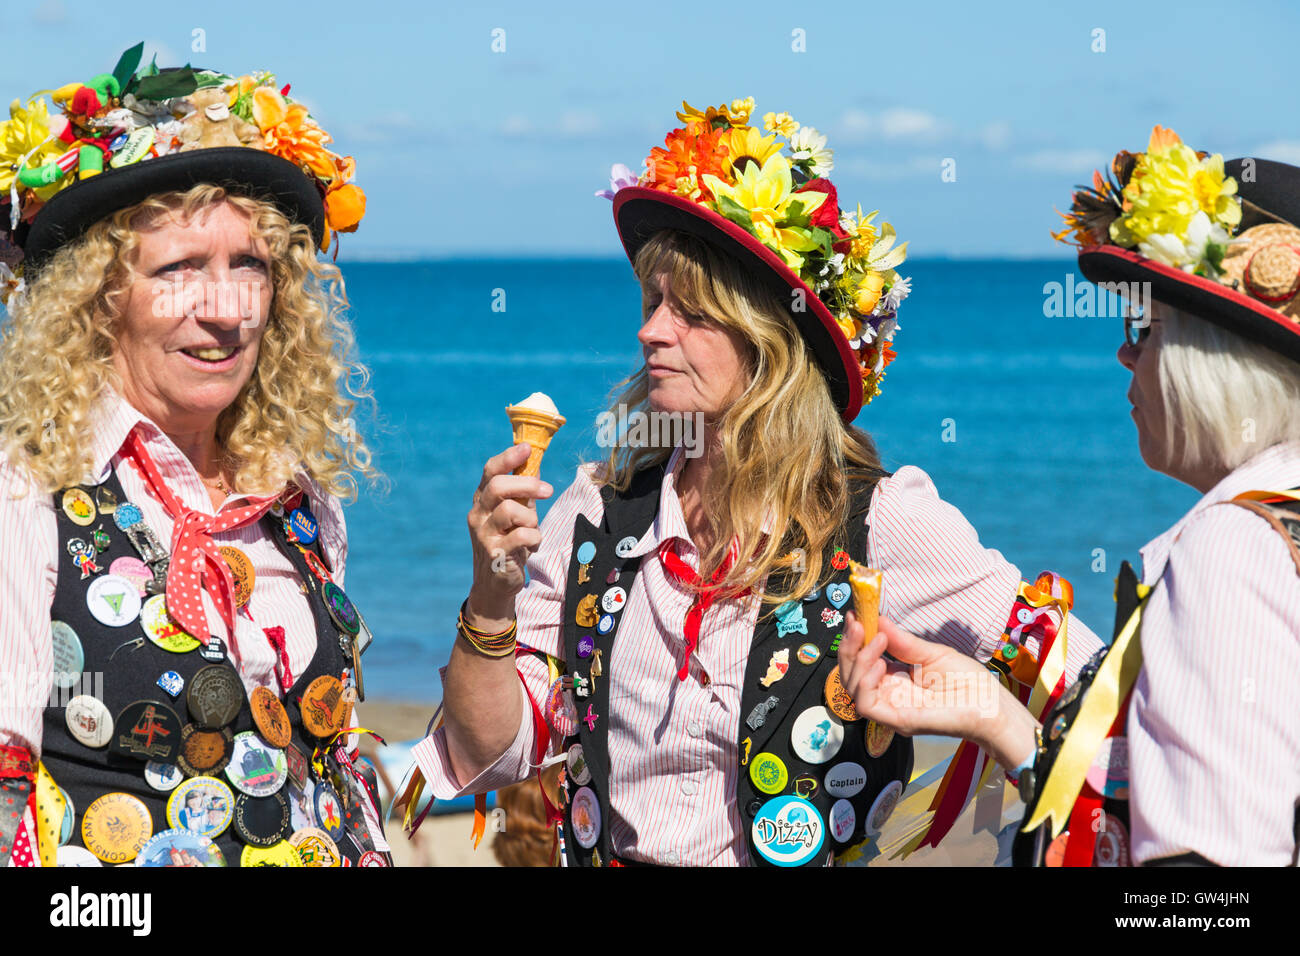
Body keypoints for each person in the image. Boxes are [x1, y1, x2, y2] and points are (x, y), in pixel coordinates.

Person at [406, 98, 1104, 867]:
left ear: (772, 340)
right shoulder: (595, 514)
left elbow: (1092, 693)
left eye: (692, 312)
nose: (650, 331)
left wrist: (1004, 723)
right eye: (650, 302)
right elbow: (487, 754)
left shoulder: (877, 522)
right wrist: (491, 596)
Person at [838, 127, 1300, 866]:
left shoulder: (1238, 549)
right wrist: (996, 715)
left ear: (1215, 360)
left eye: (1144, 328)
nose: (1125, 352)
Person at [0, 45, 385, 867]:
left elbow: (330, 762)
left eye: (247, 266)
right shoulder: (26, 490)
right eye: (178, 270)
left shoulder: (297, 498)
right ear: (99, 301)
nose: (224, 311)